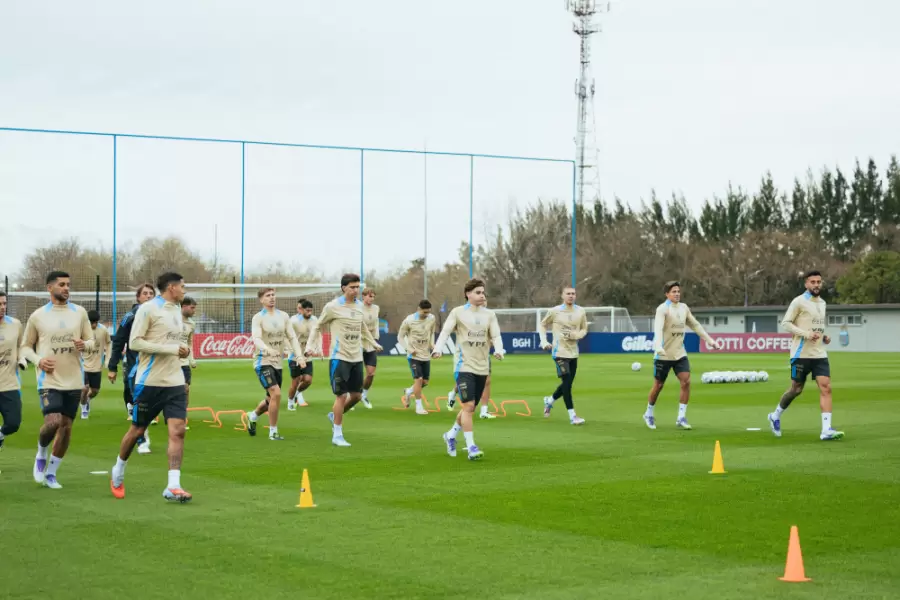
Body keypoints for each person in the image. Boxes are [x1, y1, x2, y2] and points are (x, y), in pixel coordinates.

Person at [109, 272, 193, 502]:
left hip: (174, 381)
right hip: (149, 382)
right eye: (182, 286)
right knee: (137, 429)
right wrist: (172, 349)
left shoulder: (177, 310)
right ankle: (118, 470)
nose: (185, 291)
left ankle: (173, 485)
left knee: (178, 431)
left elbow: (172, 341)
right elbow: (135, 342)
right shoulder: (147, 309)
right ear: (171, 287)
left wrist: (182, 349)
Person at [20, 271, 95, 488]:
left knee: (67, 427)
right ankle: (41, 451)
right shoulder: (37, 316)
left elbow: (90, 341)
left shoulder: (79, 313)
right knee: (53, 422)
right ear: (49, 288)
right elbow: (25, 346)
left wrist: (85, 345)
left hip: (73, 380)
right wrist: (38, 360)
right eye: (62, 284)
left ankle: (51, 473)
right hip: (49, 380)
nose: (66, 288)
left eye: (68, 284)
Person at [305, 274, 381, 447]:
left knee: (356, 396)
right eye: (353, 287)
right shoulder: (333, 307)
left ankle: (334, 416)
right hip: (339, 357)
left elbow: (362, 327)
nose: (356, 290)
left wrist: (373, 342)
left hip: (356, 357)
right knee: (342, 396)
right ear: (343, 288)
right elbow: (317, 326)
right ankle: (337, 435)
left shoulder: (360, 306)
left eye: (358, 287)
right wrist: (310, 346)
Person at [433, 278, 505, 460]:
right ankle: (471, 446)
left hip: (482, 367)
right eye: (478, 292)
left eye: (483, 292)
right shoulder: (457, 312)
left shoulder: (489, 314)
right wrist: (438, 348)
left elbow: (496, 335)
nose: (482, 295)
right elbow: (445, 332)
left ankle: (450, 435)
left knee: (469, 409)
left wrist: (498, 350)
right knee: (469, 405)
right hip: (463, 366)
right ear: (468, 294)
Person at [768, 270, 844, 441]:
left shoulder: (823, 303)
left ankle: (826, 430)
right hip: (800, 353)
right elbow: (786, 323)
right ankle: (775, 415)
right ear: (806, 284)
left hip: (819, 353)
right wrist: (805, 334)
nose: (816, 285)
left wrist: (824, 336)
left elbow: (816, 325)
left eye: (819, 282)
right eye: (813, 282)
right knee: (796, 389)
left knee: (826, 387)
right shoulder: (799, 302)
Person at [643, 280, 721, 431]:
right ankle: (649, 413)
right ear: (667, 294)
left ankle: (681, 417)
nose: (677, 294)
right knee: (658, 385)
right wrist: (658, 347)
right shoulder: (662, 309)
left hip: (679, 353)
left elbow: (695, 325)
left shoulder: (684, 308)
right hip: (663, 355)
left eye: (678, 291)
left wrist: (710, 341)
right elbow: (658, 329)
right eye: (673, 291)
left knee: (686, 382)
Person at [246, 288, 305, 441]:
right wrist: (267, 349)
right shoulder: (258, 318)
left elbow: (292, 338)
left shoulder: (283, 316)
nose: (272, 298)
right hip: (262, 361)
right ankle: (273, 432)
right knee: (276, 393)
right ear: (261, 300)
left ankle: (253, 415)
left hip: (278, 363)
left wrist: (299, 356)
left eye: (273, 295)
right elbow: (256, 339)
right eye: (268, 296)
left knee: (270, 399)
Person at [108, 283, 156, 454]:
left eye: (151, 293)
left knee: (150, 403)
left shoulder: (160, 314)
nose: (148, 296)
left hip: (158, 366)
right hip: (136, 365)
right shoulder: (130, 316)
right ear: (138, 297)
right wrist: (112, 366)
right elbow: (118, 341)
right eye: (145, 293)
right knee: (139, 400)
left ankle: (137, 415)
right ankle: (142, 439)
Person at [539, 286, 588, 425]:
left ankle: (549, 401)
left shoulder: (581, 311)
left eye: (573, 293)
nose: (571, 296)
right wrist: (544, 341)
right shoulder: (555, 311)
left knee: (567, 384)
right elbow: (543, 325)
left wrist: (577, 335)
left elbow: (584, 328)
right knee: (567, 383)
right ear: (562, 295)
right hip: (559, 352)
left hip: (574, 353)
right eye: (568, 294)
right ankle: (573, 416)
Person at [399, 299, 436, 415]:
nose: (426, 315)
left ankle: (409, 391)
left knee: (424, 382)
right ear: (418, 309)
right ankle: (419, 407)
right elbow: (400, 337)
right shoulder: (409, 320)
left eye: (428, 313)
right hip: (413, 355)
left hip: (425, 355)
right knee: (418, 380)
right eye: (424, 312)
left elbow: (432, 332)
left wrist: (432, 345)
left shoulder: (432, 318)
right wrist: (408, 349)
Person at [0, 291, 26, 450]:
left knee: (14, 423)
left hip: (9, 384)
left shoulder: (15, 324)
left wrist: (22, 359)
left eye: (4, 303)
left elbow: (21, 347)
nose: (3, 307)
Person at [287, 299, 318, 410]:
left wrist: (313, 349)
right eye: (307, 311)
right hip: (294, 356)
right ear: (302, 310)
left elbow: (316, 335)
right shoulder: (294, 321)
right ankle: (290, 401)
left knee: (308, 380)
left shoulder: (314, 320)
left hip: (307, 356)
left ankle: (297, 394)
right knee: (295, 381)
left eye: (311, 311)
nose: (309, 313)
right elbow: (288, 336)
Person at [80, 310, 110, 419]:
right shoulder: (81, 330)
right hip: (83, 364)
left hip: (97, 366)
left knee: (94, 391)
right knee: (85, 388)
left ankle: (86, 400)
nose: (94, 325)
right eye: (92, 322)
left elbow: (109, 343)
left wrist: (107, 360)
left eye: (95, 322)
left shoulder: (103, 330)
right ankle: (83, 408)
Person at [358, 287, 380, 409]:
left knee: (371, 373)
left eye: (373, 296)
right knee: (355, 372)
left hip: (370, 342)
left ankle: (363, 395)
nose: (371, 299)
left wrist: (375, 340)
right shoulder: (358, 308)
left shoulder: (376, 308)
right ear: (364, 296)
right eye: (369, 296)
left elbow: (376, 324)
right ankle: (352, 396)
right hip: (359, 342)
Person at [180, 296, 198, 429]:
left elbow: (190, 342)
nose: (194, 311)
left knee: (185, 389)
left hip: (184, 362)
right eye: (192, 308)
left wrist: (192, 358)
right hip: (169, 361)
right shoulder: (172, 320)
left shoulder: (192, 324)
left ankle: (181, 418)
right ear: (183, 306)